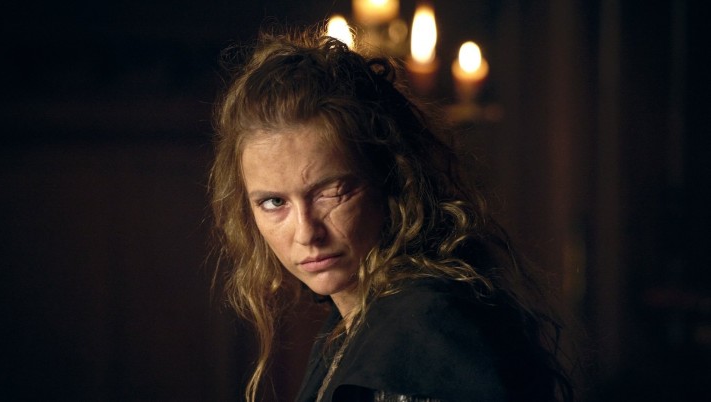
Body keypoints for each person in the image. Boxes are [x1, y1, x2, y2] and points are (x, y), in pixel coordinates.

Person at [210, 24, 573, 402]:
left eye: (331, 193)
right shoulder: (356, 319)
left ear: (392, 178)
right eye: (274, 202)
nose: (306, 233)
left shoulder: (427, 327)